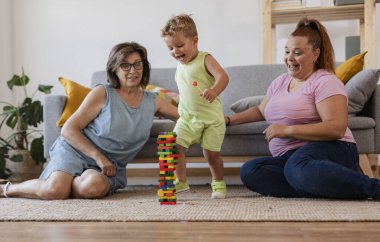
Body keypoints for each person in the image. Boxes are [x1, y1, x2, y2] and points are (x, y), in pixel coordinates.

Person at [0, 42, 179, 199]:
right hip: (76, 150)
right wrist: (99, 157)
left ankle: (65, 184)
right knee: (54, 191)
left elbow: (185, 117)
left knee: (93, 187)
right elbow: (69, 129)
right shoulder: (103, 92)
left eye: (137, 65)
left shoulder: (152, 101)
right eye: (125, 65)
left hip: (111, 167)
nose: (133, 71)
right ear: (114, 69)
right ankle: (7, 188)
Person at [226, 17, 380, 200]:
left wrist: (287, 130)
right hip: (292, 157)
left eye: (297, 52)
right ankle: (329, 184)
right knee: (251, 171)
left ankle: (372, 188)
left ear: (316, 54)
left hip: (333, 149)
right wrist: (229, 120)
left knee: (296, 168)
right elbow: (261, 110)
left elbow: (336, 128)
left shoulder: (325, 81)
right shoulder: (280, 82)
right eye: (287, 51)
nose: (289, 58)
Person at [161, 14, 229, 199]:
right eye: (170, 48)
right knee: (172, 145)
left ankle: (218, 183)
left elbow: (223, 77)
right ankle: (180, 182)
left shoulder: (205, 58)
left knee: (211, 155)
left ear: (195, 40)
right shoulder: (180, 66)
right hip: (188, 119)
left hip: (211, 120)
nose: (175, 51)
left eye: (179, 45)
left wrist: (214, 90)